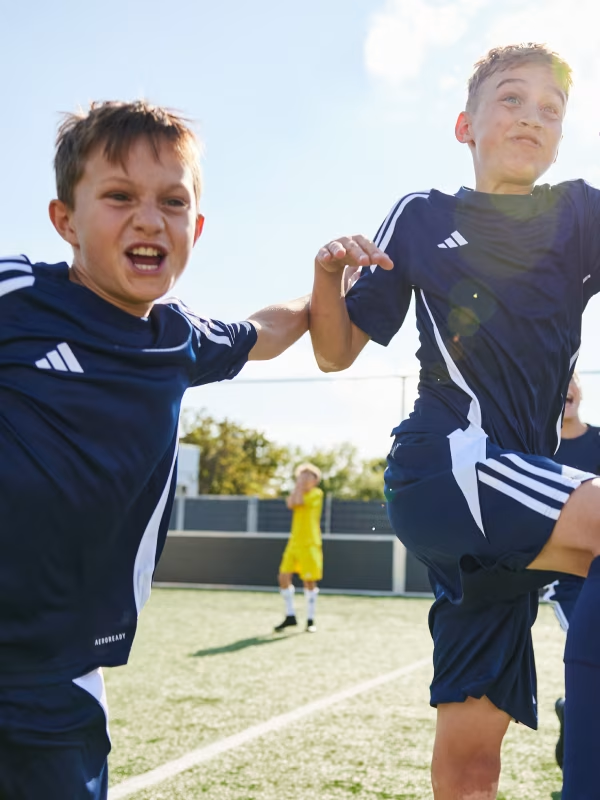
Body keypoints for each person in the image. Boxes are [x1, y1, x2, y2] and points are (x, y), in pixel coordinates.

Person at [309, 43, 600, 800]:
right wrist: (325, 276)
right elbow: (336, 353)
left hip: (520, 507)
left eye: (551, 108)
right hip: (448, 468)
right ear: (465, 124)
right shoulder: (421, 215)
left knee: (471, 765)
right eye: (511, 98)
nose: (531, 116)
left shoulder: (579, 215)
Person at [0, 100, 310, 799]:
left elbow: (262, 330)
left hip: (60, 671)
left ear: (195, 228)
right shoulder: (17, 295)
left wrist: (325, 295)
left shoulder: (179, 337)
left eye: (172, 201)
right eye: (119, 196)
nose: (149, 219)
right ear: (65, 222)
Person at [542, 373, 600, 769]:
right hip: (564, 581)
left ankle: (571, 709)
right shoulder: (538, 447)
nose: (564, 389)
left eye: (570, 380)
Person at [274, 463, 324, 633]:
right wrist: (298, 485)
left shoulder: (316, 494)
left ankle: (310, 619)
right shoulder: (298, 491)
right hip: (294, 542)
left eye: (308, 476)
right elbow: (291, 504)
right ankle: (290, 615)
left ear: (315, 480)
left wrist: (299, 487)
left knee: (309, 580)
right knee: (283, 577)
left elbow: (299, 501)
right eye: (302, 476)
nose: (304, 479)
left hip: (310, 543)